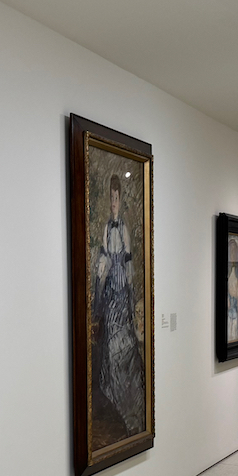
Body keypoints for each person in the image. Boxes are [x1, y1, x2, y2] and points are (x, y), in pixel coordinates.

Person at [93, 174, 145, 435]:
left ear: (121, 199)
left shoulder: (123, 228)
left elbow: (129, 263)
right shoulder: (106, 228)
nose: (114, 202)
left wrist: (130, 290)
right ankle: (112, 395)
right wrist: (101, 271)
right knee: (110, 344)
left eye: (117, 198)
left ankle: (128, 400)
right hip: (110, 290)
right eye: (111, 198)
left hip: (122, 291)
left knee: (123, 343)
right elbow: (104, 258)